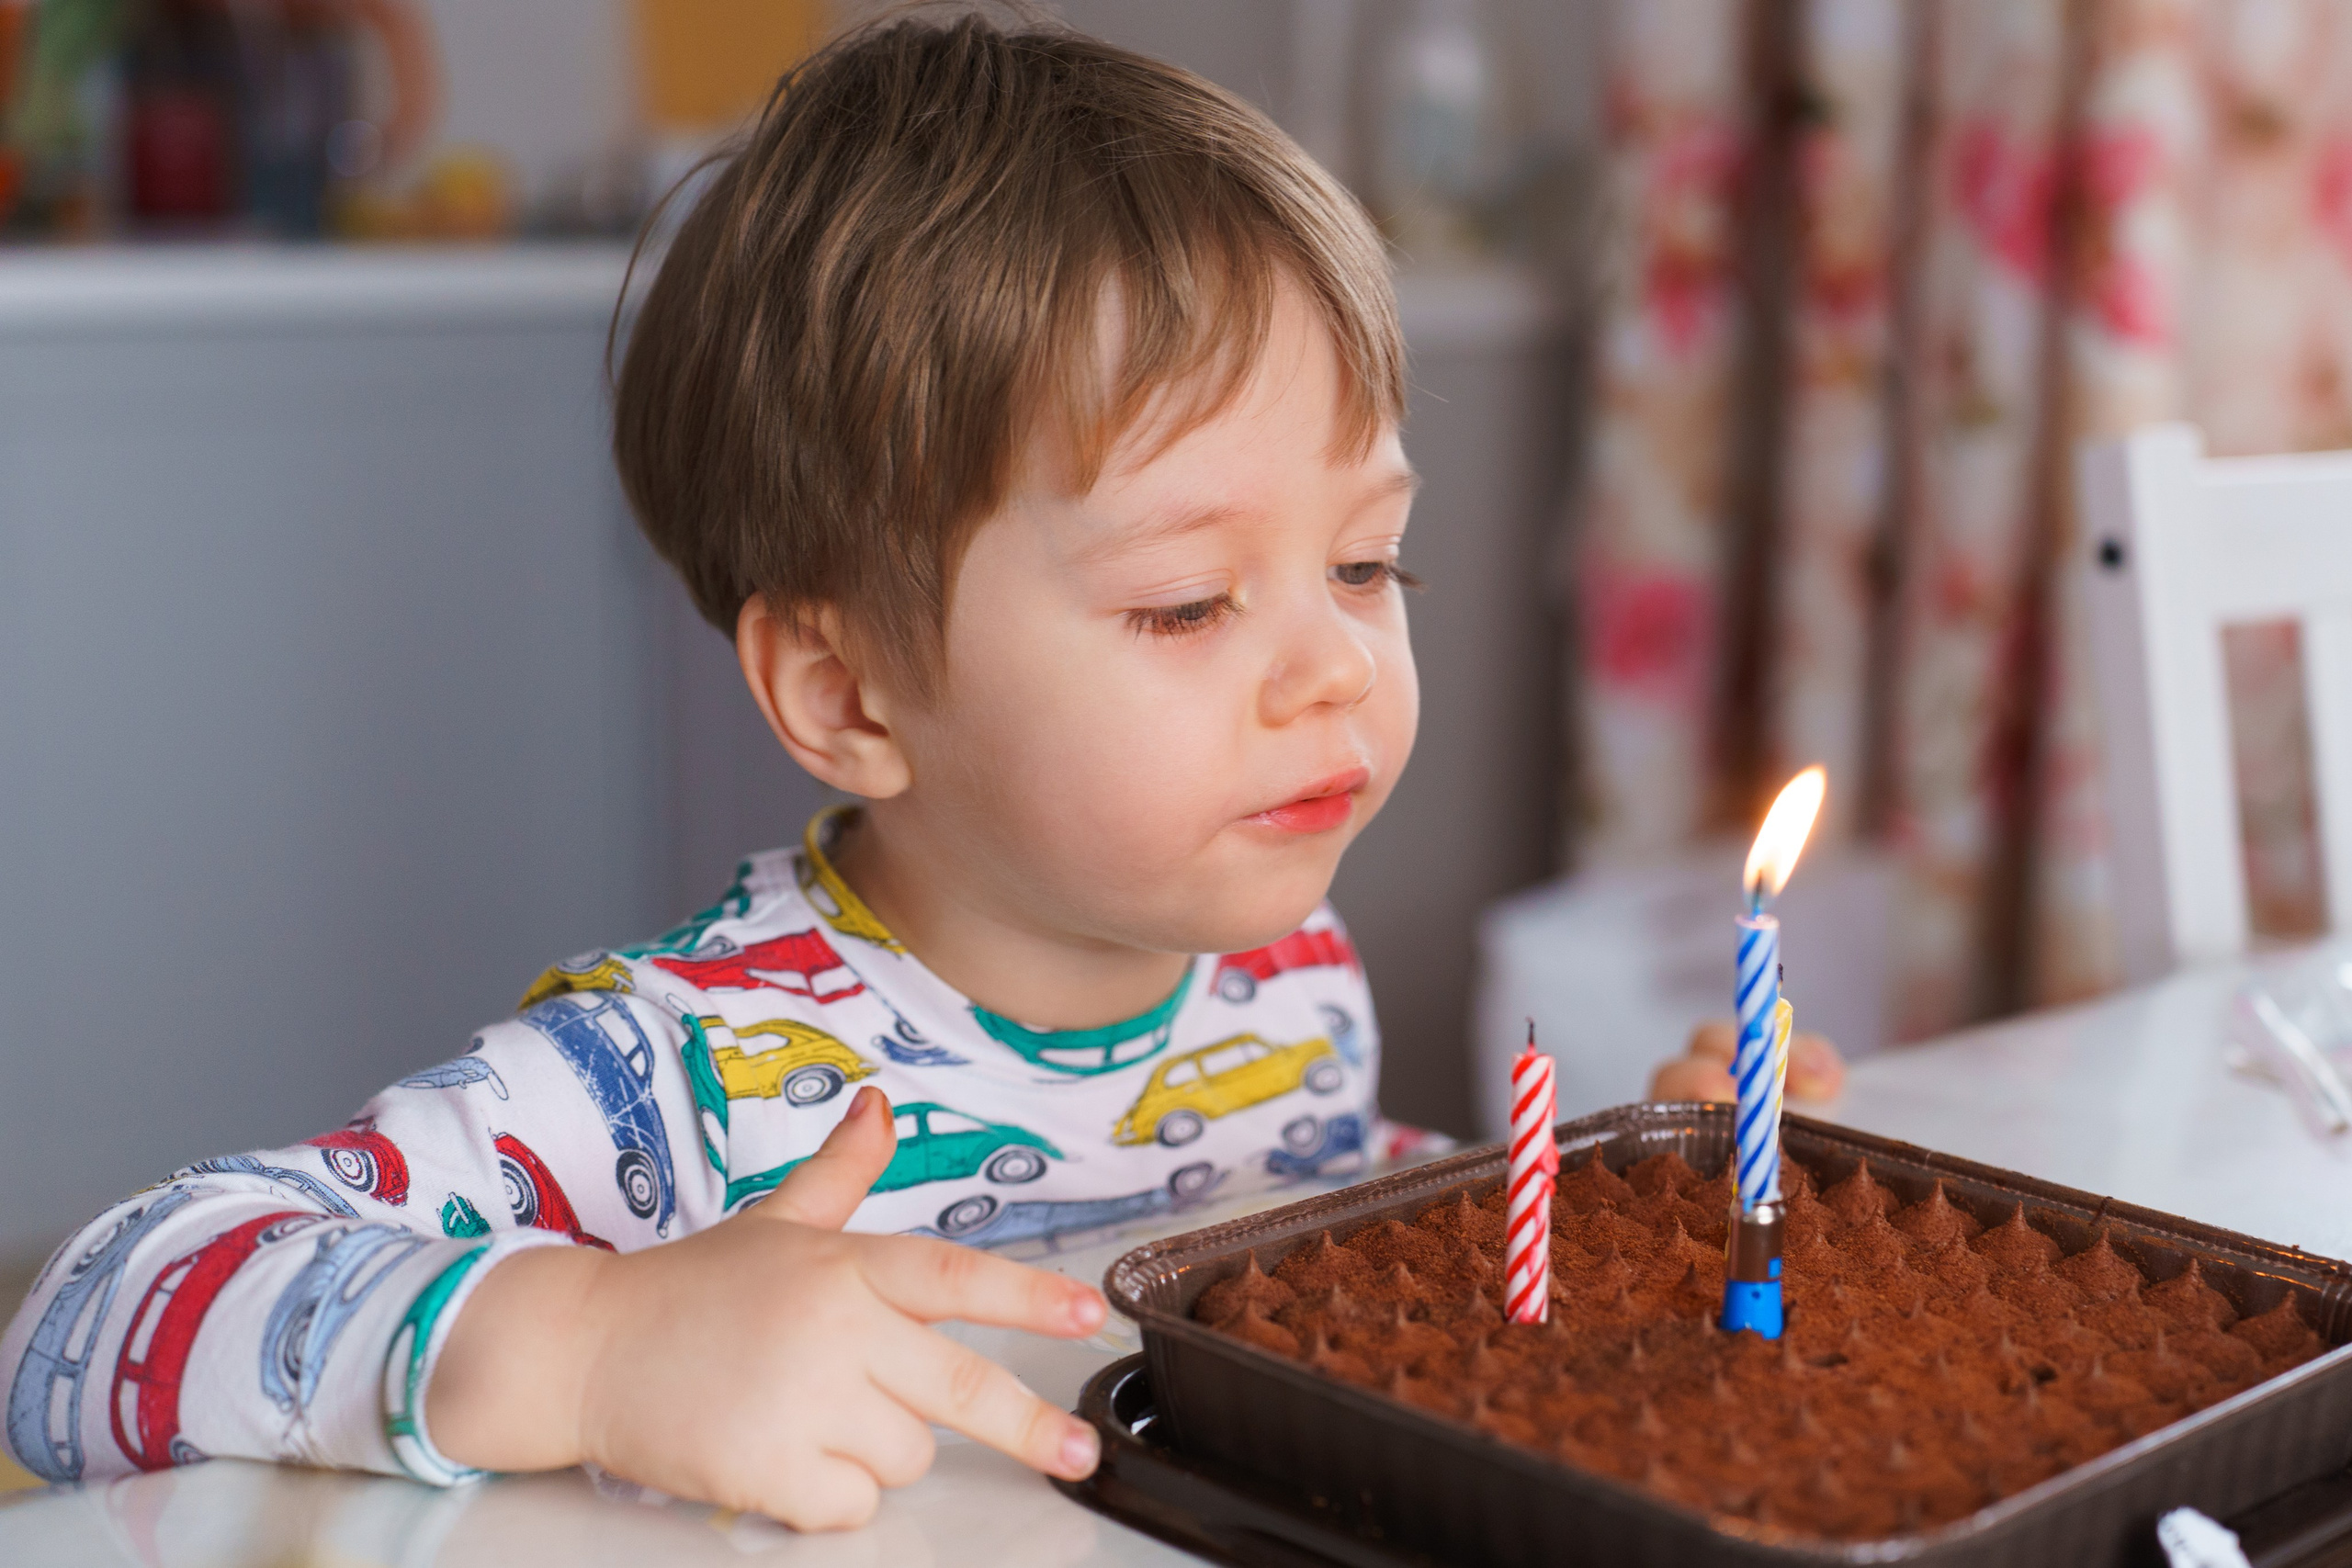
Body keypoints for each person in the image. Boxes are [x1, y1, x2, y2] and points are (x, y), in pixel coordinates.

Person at [1, 8, 1840, 1529]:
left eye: (1368, 563)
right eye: (1188, 601)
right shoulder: (677, 1080)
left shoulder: (1280, 975)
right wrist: (593, 1347)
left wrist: (1600, 1215)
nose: (1336, 664)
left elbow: (1297, 1231)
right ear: (849, 693)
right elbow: (83, 1324)